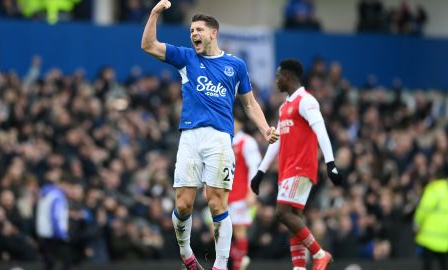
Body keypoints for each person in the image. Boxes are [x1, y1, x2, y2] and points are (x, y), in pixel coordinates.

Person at [141, 1, 279, 269]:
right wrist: (155, 13)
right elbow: (148, 45)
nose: (193, 34)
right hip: (190, 137)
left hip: (219, 139)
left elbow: (249, 104)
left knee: (217, 202)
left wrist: (265, 129)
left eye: (199, 29)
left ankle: (220, 264)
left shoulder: (235, 66)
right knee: (183, 205)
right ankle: (186, 253)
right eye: (191, 30)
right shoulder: (186, 58)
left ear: (213, 32)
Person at [251, 59, 342, 270]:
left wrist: (331, 164)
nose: (275, 80)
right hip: (287, 169)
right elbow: (278, 140)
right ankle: (299, 268)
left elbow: (321, 130)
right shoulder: (284, 107)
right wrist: (260, 172)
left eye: (278, 75)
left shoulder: (306, 101)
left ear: (288, 76)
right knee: (293, 219)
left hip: (301, 167)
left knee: (282, 213)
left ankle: (320, 254)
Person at [228, 110, 262, 270]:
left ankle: (238, 265)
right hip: (223, 194)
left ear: (241, 123)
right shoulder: (222, 141)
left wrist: (251, 191)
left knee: (239, 229)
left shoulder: (247, 142)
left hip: (241, 194)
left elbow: (254, 167)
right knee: (221, 232)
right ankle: (238, 259)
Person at [414, 175, 448, 270]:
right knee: (444, 265)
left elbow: (422, 210)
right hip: (444, 239)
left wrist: (417, 223)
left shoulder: (432, 191)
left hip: (429, 237)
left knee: (427, 265)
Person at [36, 177, 72, 270]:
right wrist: (61, 234)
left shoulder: (46, 194)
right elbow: (55, 215)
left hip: (44, 234)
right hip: (54, 234)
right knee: (65, 261)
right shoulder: (57, 196)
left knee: (48, 263)